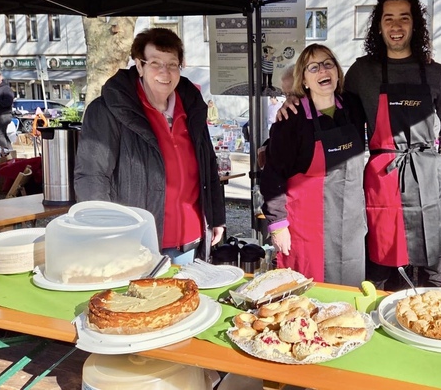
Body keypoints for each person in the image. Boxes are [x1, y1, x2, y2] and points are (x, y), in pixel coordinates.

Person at [277, 0, 441, 289]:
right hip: (382, 179)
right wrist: (295, 98)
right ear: (379, 25)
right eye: (388, 18)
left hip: (427, 176)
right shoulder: (364, 71)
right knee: (382, 266)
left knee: (432, 267)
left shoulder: (436, 72)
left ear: (415, 24)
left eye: (404, 18)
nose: (396, 26)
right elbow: (331, 98)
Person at [74, 28, 226, 265]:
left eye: (172, 64)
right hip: (136, 241)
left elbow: (208, 166)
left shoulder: (193, 108)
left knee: (184, 301)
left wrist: (216, 217)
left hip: (190, 239)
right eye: (155, 63)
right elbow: (92, 176)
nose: (165, 72)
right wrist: (102, 233)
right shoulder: (109, 110)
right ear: (139, 65)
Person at [260, 44, 366, 286]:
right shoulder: (291, 119)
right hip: (307, 232)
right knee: (306, 300)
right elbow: (272, 176)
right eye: (313, 67)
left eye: (328, 64)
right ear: (304, 80)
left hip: (349, 228)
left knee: (347, 297)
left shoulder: (353, 108)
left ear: (337, 72)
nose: (323, 71)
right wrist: (277, 226)